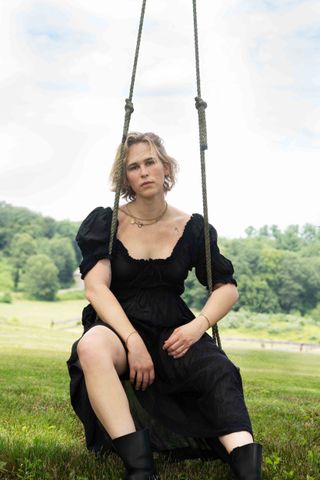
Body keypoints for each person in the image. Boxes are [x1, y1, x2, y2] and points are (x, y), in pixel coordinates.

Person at [67, 132, 262, 480]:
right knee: (91, 346)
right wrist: (131, 339)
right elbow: (96, 288)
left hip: (175, 328)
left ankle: (247, 469)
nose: (143, 172)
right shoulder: (107, 223)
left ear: (165, 167)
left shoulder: (193, 228)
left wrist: (198, 326)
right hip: (118, 327)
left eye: (150, 162)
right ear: (124, 177)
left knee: (219, 370)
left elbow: (226, 288)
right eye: (133, 167)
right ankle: (141, 470)